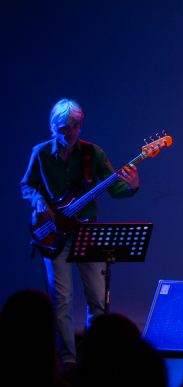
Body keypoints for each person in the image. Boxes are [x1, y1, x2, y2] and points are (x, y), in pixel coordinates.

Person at [20, 98, 140, 368]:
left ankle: (94, 357)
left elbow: (114, 188)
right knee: (61, 299)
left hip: (86, 230)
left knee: (97, 298)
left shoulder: (92, 153)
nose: (71, 133)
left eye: (76, 127)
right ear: (53, 127)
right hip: (52, 233)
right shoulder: (40, 153)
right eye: (65, 128)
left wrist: (131, 185)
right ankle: (68, 359)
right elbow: (27, 185)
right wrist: (38, 201)